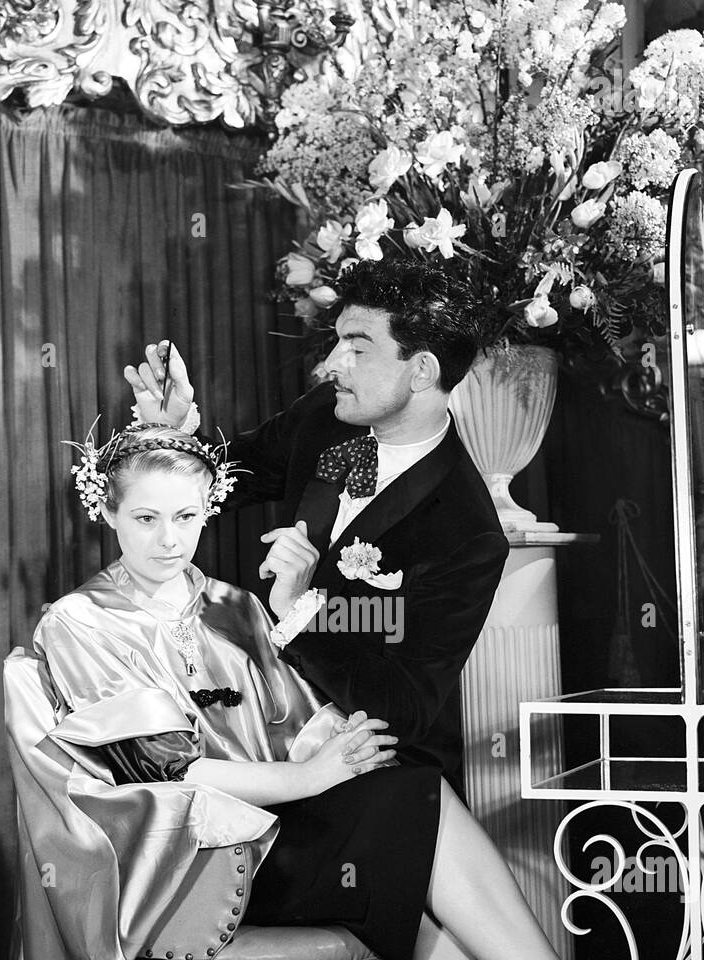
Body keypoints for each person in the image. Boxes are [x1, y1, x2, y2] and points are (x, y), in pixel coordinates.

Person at [27, 420, 702, 960]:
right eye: (146, 520)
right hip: (191, 862)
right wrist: (310, 778)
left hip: (278, 832)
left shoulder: (232, 607)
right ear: (109, 516)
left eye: (187, 517)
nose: (170, 540)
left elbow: (291, 725)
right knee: (414, 810)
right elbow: (161, 774)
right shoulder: (78, 622)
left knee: (421, 859)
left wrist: (323, 743)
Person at [123, 257, 509, 796]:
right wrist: (169, 432)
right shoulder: (324, 414)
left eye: (355, 347)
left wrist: (302, 608)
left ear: (421, 371)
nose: (330, 365)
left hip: (367, 768)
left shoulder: (469, 530)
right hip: (245, 727)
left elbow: (404, 709)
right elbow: (222, 481)